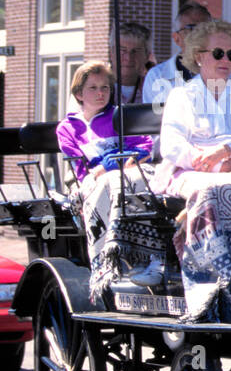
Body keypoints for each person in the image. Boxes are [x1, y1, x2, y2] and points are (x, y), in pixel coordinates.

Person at [158, 20, 231, 321]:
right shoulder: (181, 96)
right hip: (193, 171)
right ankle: (209, 286)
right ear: (198, 55)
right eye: (219, 53)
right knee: (211, 190)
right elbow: (171, 145)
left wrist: (229, 150)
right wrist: (202, 158)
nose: (227, 61)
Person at [56, 61, 164, 297]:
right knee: (109, 183)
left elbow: (144, 147)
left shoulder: (119, 115)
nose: (100, 93)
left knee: (130, 180)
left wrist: (110, 164)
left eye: (105, 87)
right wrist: (109, 166)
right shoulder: (67, 127)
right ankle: (107, 263)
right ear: (78, 93)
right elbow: (80, 167)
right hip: (93, 180)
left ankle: (148, 256)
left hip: (128, 171)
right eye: (93, 88)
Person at [143, 2, 212, 106]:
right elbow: (151, 120)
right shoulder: (156, 77)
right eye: (192, 29)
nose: (200, 35)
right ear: (176, 38)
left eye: (206, 28)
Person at [115, 22, 152, 104]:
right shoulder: (95, 88)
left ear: (147, 56)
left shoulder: (155, 90)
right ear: (111, 53)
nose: (128, 58)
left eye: (136, 51)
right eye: (123, 50)